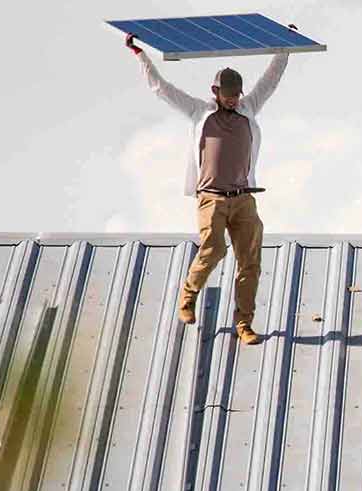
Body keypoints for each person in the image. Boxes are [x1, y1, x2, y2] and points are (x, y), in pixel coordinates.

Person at [124, 32, 293, 345]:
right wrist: (140, 55)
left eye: (236, 95)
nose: (233, 100)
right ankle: (188, 296)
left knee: (250, 262)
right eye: (228, 95)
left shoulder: (249, 108)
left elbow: (270, 81)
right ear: (215, 91)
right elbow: (161, 88)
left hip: (243, 199)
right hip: (212, 199)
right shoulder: (199, 112)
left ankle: (244, 323)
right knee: (213, 249)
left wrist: (285, 48)